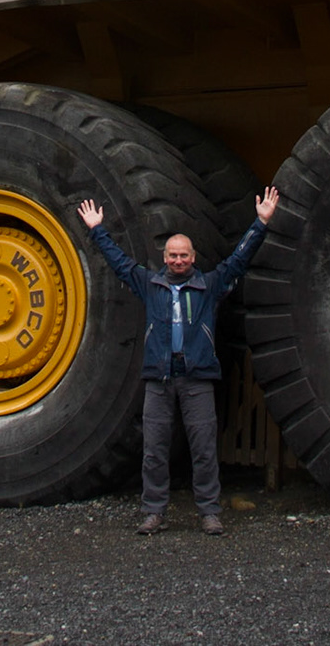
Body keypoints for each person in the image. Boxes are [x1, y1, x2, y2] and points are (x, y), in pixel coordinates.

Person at [77, 185, 277, 536]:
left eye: (183, 255)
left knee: (203, 449)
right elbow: (119, 263)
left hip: (197, 378)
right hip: (159, 379)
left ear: (193, 257)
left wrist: (260, 224)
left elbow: (238, 262)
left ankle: (209, 513)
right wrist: (97, 230)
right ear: (164, 257)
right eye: (172, 255)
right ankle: (154, 512)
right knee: (154, 450)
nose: (178, 260)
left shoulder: (209, 285)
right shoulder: (149, 283)